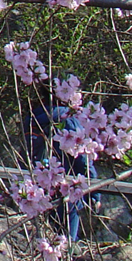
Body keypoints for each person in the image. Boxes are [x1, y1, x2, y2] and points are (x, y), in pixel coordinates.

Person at [24, 97, 98, 242]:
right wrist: (94, 194)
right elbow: (82, 160)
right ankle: (67, 256)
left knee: (43, 238)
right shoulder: (68, 121)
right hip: (66, 188)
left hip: (36, 189)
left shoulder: (31, 120)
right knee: (66, 240)